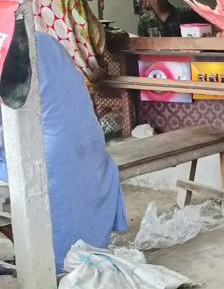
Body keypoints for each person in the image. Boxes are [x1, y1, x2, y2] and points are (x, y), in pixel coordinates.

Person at [0, 33, 128, 271]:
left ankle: (37, 262)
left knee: (7, 193)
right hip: (91, 144)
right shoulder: (45, 40)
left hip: (54, 157)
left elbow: (10, 121)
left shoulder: (8, 52)